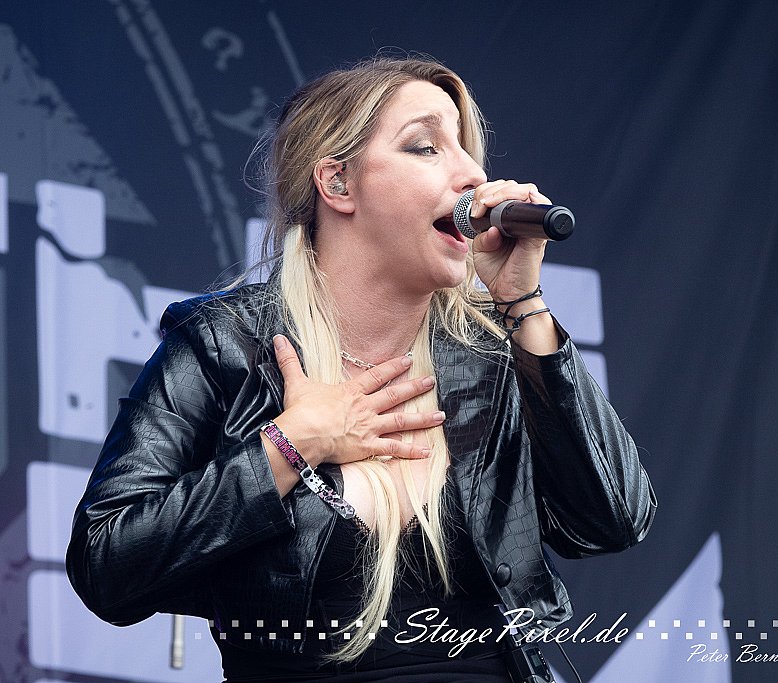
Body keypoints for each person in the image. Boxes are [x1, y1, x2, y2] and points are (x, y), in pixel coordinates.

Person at [66, 56, 655, 682]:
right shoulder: (227, 346)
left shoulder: (491, 352)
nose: (472, 174)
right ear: (338, 184)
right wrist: (290, 446)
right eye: (426, 147)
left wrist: (522, 303)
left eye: (466, 147)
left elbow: (615, 520)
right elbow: (106, 564)